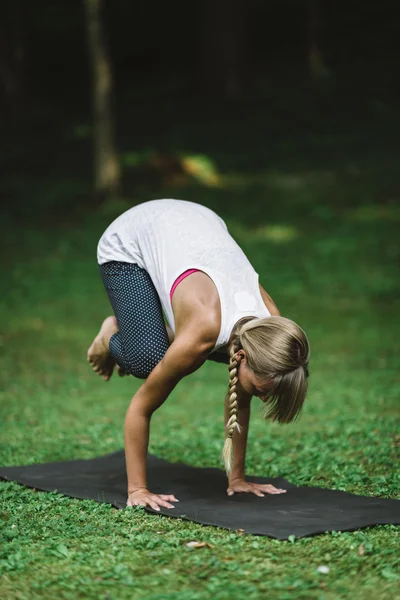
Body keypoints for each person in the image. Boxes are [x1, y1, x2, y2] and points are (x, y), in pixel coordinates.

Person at [88, 199, 310, 512]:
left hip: (199, 223)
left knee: (188, 347)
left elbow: (240, 396)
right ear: (242, 355)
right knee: (146, 360)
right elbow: (140, 408)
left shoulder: (271, 329)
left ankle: (149, 332)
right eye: (262, 390)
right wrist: (138, 489)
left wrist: (238, 478)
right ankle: (112, 332)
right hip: (132, 238)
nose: (261, 398)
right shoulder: (203, 331)